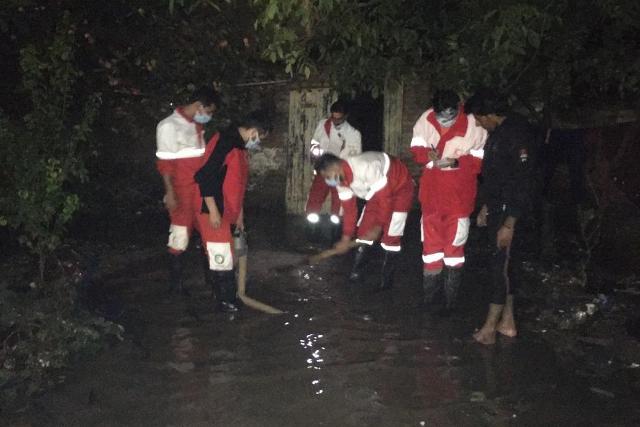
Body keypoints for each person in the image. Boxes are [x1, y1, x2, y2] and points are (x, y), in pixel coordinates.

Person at [465, 89, 536, 345]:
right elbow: (494, 176)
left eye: (479, 117)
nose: (477, 122)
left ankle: (489, 329)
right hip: (497, 207)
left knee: (500, 267)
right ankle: (508, 322)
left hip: (509, 213)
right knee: (505, 266)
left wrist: (509, 223)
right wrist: (486, 206)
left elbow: (523, 182)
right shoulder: (499, 134)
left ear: (492, 113)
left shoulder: (518, 134)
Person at [410, 90, 487, 311]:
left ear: (458, 107)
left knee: (454, 253)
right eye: (441, 115)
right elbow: (416, 149)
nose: (445, 119)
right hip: (431, 197)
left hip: (459, 198)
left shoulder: (474, 124)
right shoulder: (425, 119)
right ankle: (429, 300)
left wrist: (456, 163)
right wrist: (427, 156)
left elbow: (480, 161)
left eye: (450, 115)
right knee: (431, 251)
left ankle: (450, 304)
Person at [194, 112, 271, 312]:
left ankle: (222, 294)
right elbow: (204, 176)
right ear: (253, 131)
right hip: (211, 208)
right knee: (221, 255)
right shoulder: (225, 143)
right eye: (259, 137)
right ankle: (226, 301)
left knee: (227, 254)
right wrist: (212, 211)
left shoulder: (238, 147)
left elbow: (237, 184)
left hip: (228, 209)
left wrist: (239, 215)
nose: (258, 142)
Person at [315, 151, 415, 290]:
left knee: (391, 236)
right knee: (364, 231)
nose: (328, 181)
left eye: (327, 176)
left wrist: (379, 226)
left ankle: (386, 282)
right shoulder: (341, 181)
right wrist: (345, 238)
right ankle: (357, 274)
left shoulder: (366, 167)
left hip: (400, 187)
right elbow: (350, 210)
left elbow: (385, 199)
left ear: (335, 168)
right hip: (377, 193)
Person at [155, 86, 220, 295]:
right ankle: (176, 286)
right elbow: (165, 164)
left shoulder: (196, 126)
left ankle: (211, 280)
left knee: (209, 234)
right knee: (179, 237)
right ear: (198, 106)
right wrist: (170, 193)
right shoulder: (168, 126)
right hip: (181, 191)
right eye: (208, 111)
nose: (208, 116)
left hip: (201, 191)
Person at [306, 100, 362, 227]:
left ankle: (334, 229)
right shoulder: (323, 125)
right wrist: (317, 159)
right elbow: (315, 142)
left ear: (345, 116)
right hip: (324, 168)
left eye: (339, 119)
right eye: (333, 117)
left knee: (338, 202)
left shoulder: (353, 134)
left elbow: (354, 157)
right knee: (315, 198)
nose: (335, 121)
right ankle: (311, 227)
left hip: (339, 172)